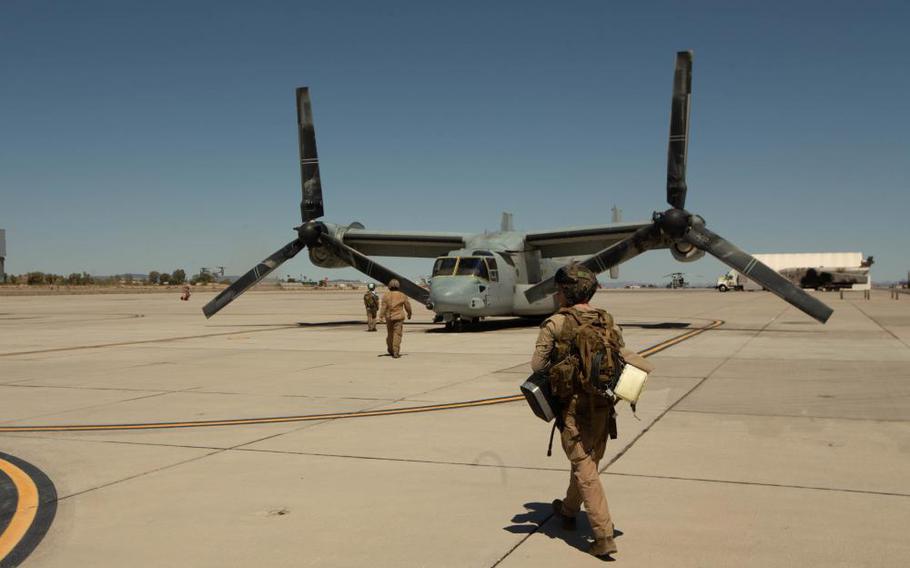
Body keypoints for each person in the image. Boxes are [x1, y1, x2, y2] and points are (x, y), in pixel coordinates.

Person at [530, 263, 624, 559]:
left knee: (584, 467)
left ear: (566, 292)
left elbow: (537, 365)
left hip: (573, 407)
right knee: (586, 461)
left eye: (559, 291)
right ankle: (569, 511)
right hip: (603, 405)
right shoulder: (606, 320)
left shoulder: (556, 323)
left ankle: (603, 535)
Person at [380, 279, 412, 358]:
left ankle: (390, 349)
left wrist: (381, 316)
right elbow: (407, 305)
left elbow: (383, 307)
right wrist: (409, 313)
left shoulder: (386, 295)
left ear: (389, 286)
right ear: (398, 286)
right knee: (397, 334)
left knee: (390, 334)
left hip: (389, 317)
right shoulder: (402, 295)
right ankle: (396, 351)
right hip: (398, 317)